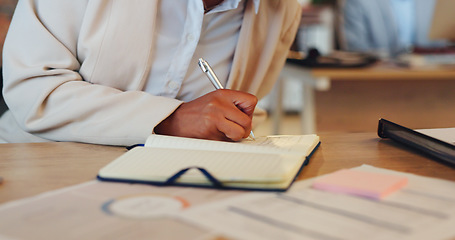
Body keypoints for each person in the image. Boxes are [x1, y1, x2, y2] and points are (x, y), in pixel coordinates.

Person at [0, 0, 302, 146]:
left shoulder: (282, 11)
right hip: (43, 164)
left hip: (180, 183)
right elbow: (34, 92)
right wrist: (173, 118)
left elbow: (247, 106)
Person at [342, 0, 447, 57]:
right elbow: (357, 51)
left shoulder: (436, 2)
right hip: (379, 79)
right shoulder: (359, 2)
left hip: (430, 75)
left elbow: (444, 43)